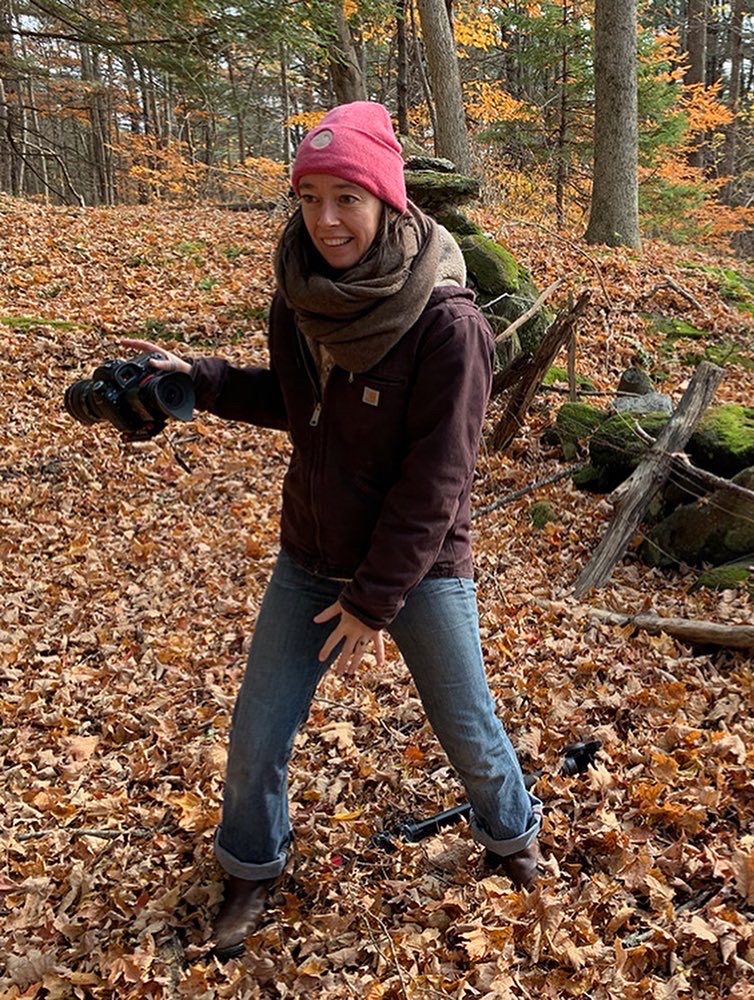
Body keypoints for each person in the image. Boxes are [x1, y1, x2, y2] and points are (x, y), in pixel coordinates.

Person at [122, 101, 542, 961]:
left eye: (345, 196)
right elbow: (296, 402)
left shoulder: (449, 326)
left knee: (467, 725)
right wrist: (196, 380)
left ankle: (513, 837)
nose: (326, 219)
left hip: (417, 571)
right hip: (310, 557)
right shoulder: (304, 299)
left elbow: (438, 482)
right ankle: (250, 869)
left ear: (387, 199)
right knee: (256, 736)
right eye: (309, 196)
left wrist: (373, 600)